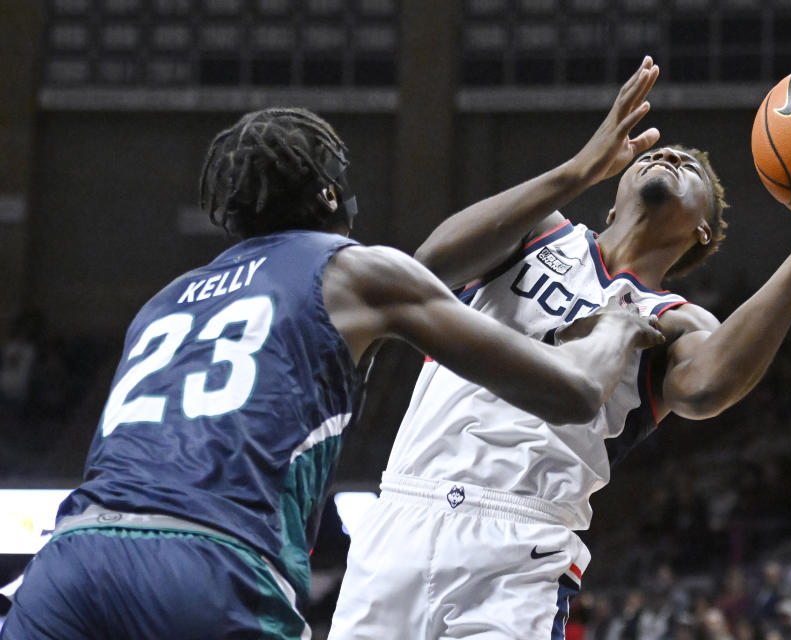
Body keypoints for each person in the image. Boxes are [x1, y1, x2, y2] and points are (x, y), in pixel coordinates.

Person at [0, 108, 663, 639]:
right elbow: (573, 393)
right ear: (328, 191)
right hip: (210, 560)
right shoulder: (351, 267)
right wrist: (618, 323)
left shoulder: (164, 300)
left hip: (71, 558)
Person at [329, 55, 791, 639]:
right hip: (403, 506)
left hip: (519, 547)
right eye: (662, 153)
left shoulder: (675, 322)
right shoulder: (542, 229)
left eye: (690, 168)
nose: (670, 156)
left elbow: (708, 386)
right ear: (611, 201)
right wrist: (577, 171)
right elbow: (429, 266)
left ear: (702, 231)